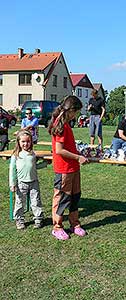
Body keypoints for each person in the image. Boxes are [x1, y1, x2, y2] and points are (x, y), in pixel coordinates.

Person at [48, 95, 88, 240]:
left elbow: (68, 146)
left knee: (75, 197)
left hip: (73, 168)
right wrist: (78, 157)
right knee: (62, 198)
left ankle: (75, 224)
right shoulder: (60, 124)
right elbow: (59, 150)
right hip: (63, 169)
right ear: (71, 110)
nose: (76, 116)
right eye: (76, 112)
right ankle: (57, 227)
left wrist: (79, 154)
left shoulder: (66, 124)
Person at [9, 130, 44, 230]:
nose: (26, 144)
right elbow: (12, 171)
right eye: (23, 142)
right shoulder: (15, 155)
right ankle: (19, 220)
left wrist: (45, 164)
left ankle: (38, 218)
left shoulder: (32, 154)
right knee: (20, 202)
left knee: (36, 201)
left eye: (28, 141)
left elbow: (35, 166)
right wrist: (12, 184)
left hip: (34, 182)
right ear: (19, 142)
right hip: (21, 183)